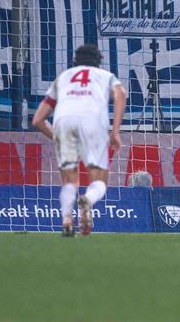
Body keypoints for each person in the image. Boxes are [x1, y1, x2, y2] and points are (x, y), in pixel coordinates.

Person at [32, 44, 126, 237]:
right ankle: (88, 200)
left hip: (63, 121)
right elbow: (120, 94)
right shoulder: (105, 76)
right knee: (99, 179)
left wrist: (58, 137)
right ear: (98, 61)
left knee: (69, 179)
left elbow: (38, 120)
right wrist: (115, 131)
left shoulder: (64, 77)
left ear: (75, 61)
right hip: (92, 121)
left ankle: (67, 219)